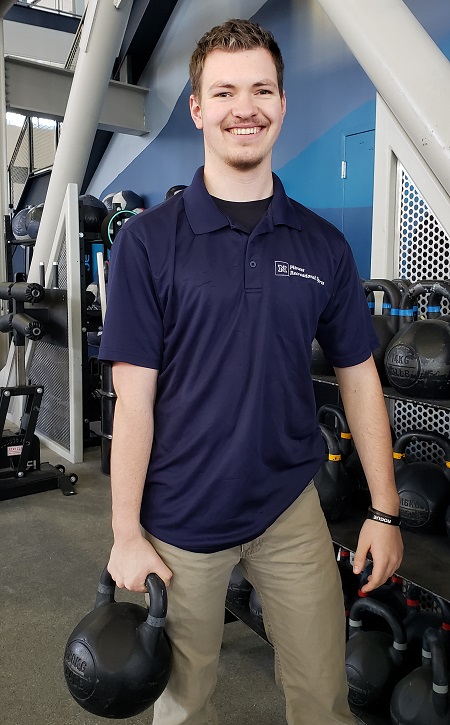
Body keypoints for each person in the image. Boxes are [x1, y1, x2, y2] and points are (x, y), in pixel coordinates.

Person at [99, 18, 403, 725]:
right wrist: (124, 530)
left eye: (262, 89)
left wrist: (385, 511)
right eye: (226, 92)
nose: (246, 108)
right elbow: (133, 401)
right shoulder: (148, 245)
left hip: (288, 506)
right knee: (182, 703)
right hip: (179, 514)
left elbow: (359, 377)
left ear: (283, 104)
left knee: (325, 694)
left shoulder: (322, 244)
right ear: (199, 109)